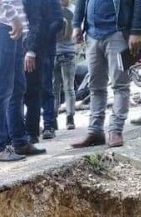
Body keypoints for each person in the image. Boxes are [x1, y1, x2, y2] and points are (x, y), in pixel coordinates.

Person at [71, 0, 141, 148]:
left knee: (120, 85)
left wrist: (136, 31)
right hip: (92, 35)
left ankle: (116, 130)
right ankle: (95, 131)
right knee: (95, 86)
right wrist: (76, 25)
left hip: (118, 33)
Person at [0, 0, 45, 162]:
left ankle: (20, 142)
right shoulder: (4, 19)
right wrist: (13, 17)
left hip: (7, 28)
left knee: (17, 87)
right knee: (0, 89)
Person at [22, 0, 63, 142]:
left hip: (45, 47)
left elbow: (59, 20)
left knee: (46, 87)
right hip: (27, 45)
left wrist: (44, 35)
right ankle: (29, 128)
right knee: (27, 89)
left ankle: (48, 124)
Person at [53, 0, 77, 131]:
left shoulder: (73, 10)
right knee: (54, 88)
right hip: (54, 52)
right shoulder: (53, 9)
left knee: (68, 87)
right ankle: (53, 119)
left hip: (68, 51)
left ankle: (70, 117)